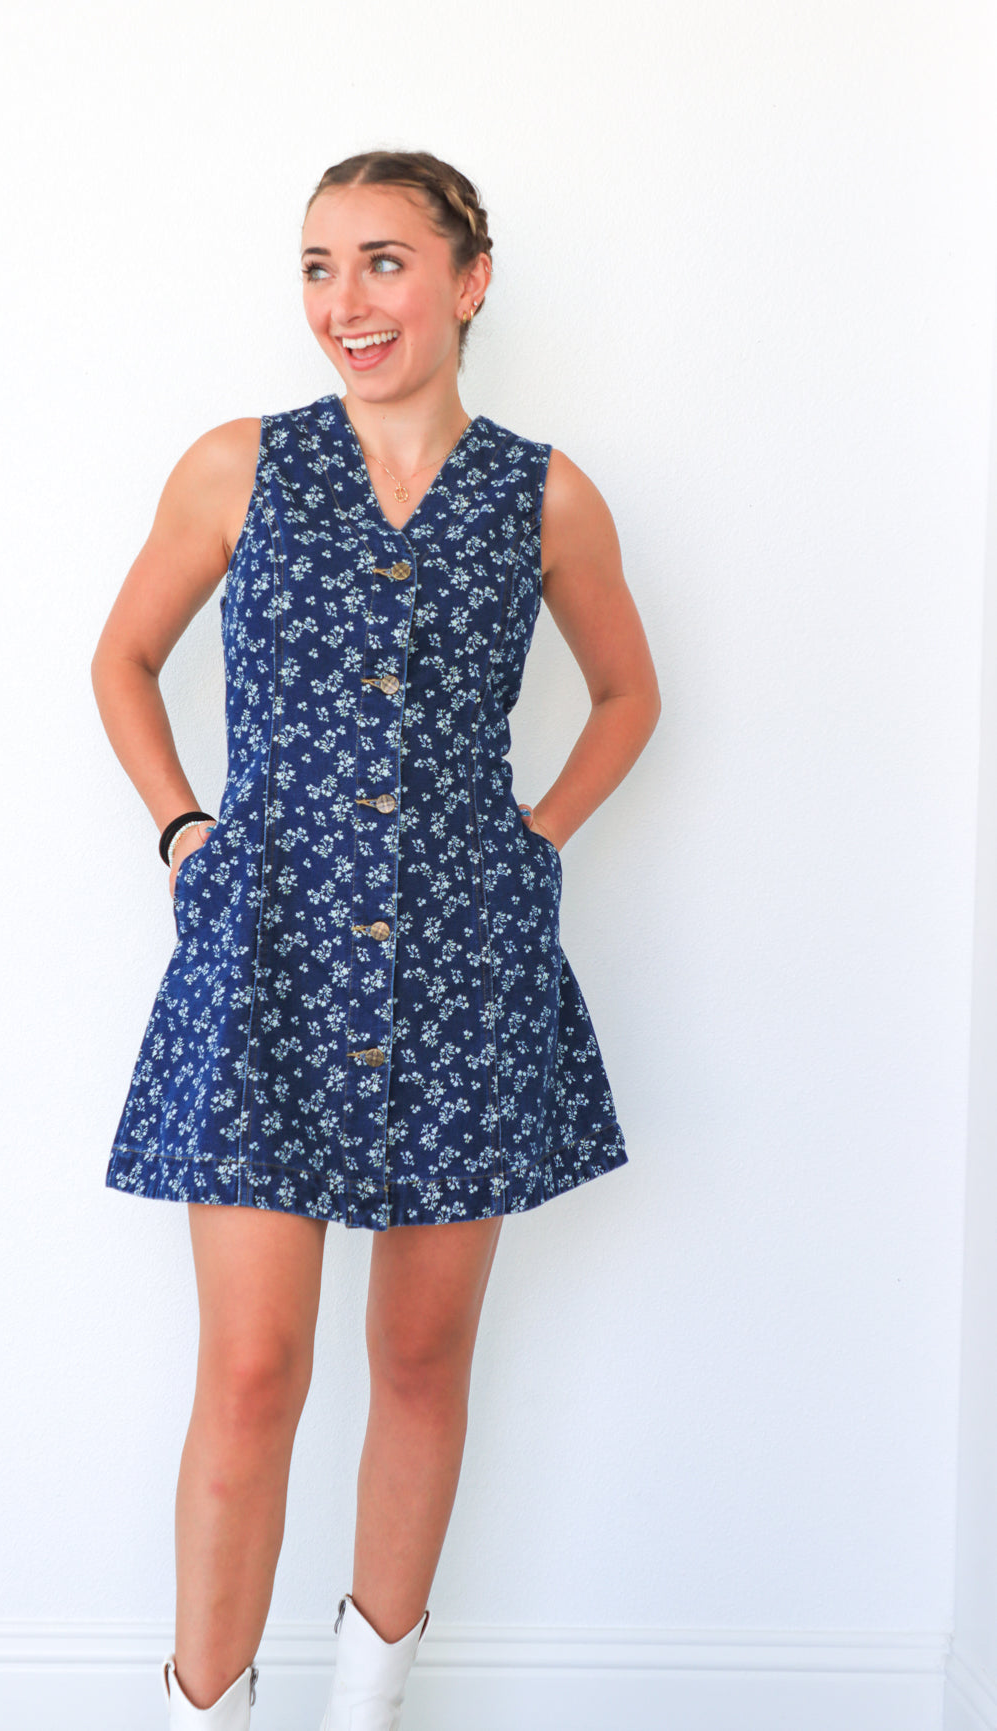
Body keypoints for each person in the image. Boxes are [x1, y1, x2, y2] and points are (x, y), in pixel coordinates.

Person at [90, 148, 661, 1730]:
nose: (346, 302)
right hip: (265, 955)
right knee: (253, 1372)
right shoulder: (238, 467)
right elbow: (123, 659)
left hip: (466, 968)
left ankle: (363, 1712)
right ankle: (206, 1710)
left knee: (418, 1359)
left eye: (385, 262)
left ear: (468, 282)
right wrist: (184, 833)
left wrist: (530, 842)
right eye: (318, 267)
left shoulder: (545, 492)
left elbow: (629, 697)